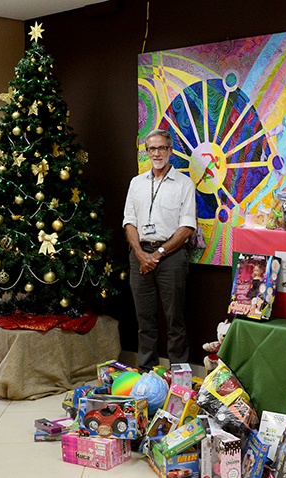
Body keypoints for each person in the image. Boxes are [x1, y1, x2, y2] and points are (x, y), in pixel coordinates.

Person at [123, 129, 196, 372]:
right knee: (145, 321)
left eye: (162, 148)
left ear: (170, 151)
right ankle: (146, 373)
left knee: (175, 321)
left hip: (172, 258)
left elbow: (187, 227)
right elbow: (129, 221)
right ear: (147, 153)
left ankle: (179, 379)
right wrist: (141, 255)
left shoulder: (184, 184)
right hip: (139, 256)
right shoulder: (136, 183)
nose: (157, 153)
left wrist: (158, 254)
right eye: (152, 149)